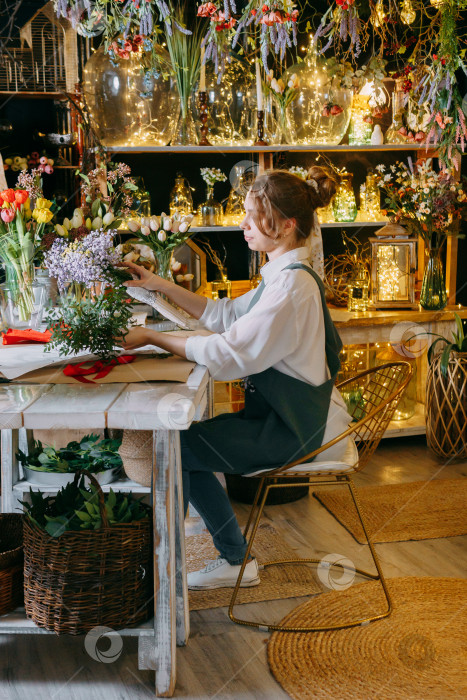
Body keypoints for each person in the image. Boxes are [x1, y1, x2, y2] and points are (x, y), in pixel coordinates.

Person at [119, 167, 351, 591]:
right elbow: (224, 316)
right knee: (183, 441)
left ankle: (211, 564)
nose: (241, 224)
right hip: (281, 420)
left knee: (179, 444)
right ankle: (230, 555)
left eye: (250, 215)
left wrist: (152, 336)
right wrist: (162, 286)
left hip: (289, 432)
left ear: (285, 225)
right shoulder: (285, 276)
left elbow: (227, 356)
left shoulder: (291, 291)